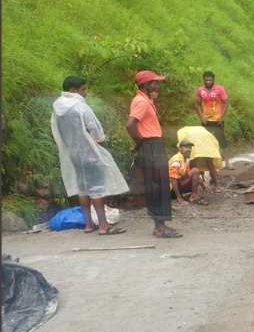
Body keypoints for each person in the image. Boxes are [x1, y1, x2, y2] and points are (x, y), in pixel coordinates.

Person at [51, 76, 129, 235]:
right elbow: (95, 131)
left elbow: (58, 133)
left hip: (73, 154)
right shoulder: (80, 107)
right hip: (90, 153)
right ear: (73, 90)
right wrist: (104, 150)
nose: (85, 93)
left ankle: (88, 225)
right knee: (97, 189)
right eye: (83, 89)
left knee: (83, 189)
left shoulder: (57, 110)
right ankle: (103, 225)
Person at [126, 70, 182, 238]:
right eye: (155, 83)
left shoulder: (144, 100)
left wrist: (139, 143)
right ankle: (160, 228)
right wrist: (139, 141)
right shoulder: (142, 102)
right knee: (159, 185)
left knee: (156, 185)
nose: (158, 85)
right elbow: (130, 125)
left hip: (151, 145)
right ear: (146, 85)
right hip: (151, 146)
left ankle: (159, 226)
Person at [196, 71, 233, 170]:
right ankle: (209, 164)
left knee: (222, 141)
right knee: (206, 142)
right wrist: (202, 117)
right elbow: (198, 104)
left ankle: (227, 163)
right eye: (206, 80)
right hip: (206, 121)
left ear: (213, 80)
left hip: (217, 121)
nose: (208, 82)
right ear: (203, 80)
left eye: (210, 80)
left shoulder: (219, 89)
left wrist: (221, 117)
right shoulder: (200, 90)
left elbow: (225, 103)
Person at [177, 125, 223, 193]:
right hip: (205, 142)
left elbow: (181, 140)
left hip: (194, 142)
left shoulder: (184, 131)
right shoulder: (203, 129)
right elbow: (213, 140)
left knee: (193, 162)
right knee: (210, 163)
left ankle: (199, 184)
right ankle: (217, 187)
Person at [169, 140, 208, 206]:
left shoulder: (186, 160)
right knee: (195, 170)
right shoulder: (177, 160)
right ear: (180, 149)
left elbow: (188, 175)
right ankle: (193, 196)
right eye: (186, 147)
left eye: (190, 148)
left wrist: (202, 182)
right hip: (170, 189)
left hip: (178, 184)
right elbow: (173, 179)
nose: (188, 149)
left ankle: (191, 195)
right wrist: (179, 198)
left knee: (197, 180)